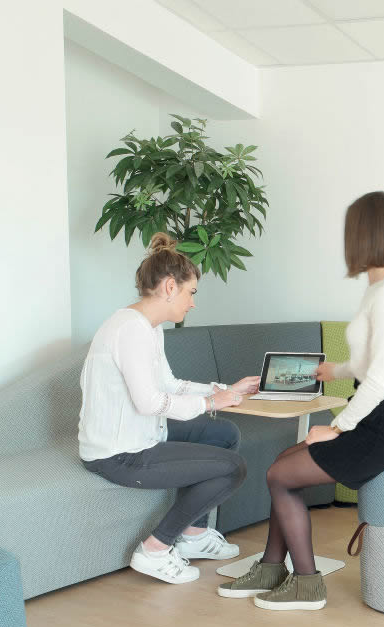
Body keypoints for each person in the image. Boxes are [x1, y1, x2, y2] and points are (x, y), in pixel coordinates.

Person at [217, 191, 384, 610]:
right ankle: (272, 567)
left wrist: (336, 427)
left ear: (364, 234)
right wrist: (337, 370)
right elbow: (374, 362)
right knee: (283, 465)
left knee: (280, 475)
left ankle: (306, 583)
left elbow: (382, 378)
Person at [79, 232, 259, 585]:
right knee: (232, 468)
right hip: (118, 453)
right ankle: (155, 549)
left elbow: (170, 385)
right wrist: (210, 403)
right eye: (191, 292)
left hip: (142, 433)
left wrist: (224, 390)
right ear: (170, 287)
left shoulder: (148, 326)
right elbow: (149, 402)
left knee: (223, 434)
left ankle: (194, 535)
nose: (192, 303)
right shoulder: (130, 330)